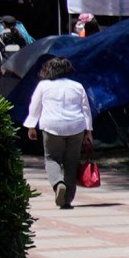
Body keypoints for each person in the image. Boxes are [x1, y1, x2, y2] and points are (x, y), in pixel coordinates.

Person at [23, 56, 97, 212]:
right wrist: (88, 131)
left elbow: (34, 106)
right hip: (76, 126)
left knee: (52, 158)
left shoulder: (44, 86)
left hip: (52, 126)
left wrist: (31, 126)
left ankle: (58, 183)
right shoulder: (77, 86)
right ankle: (67, 199)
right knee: (72, 162)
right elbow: (85, 109)